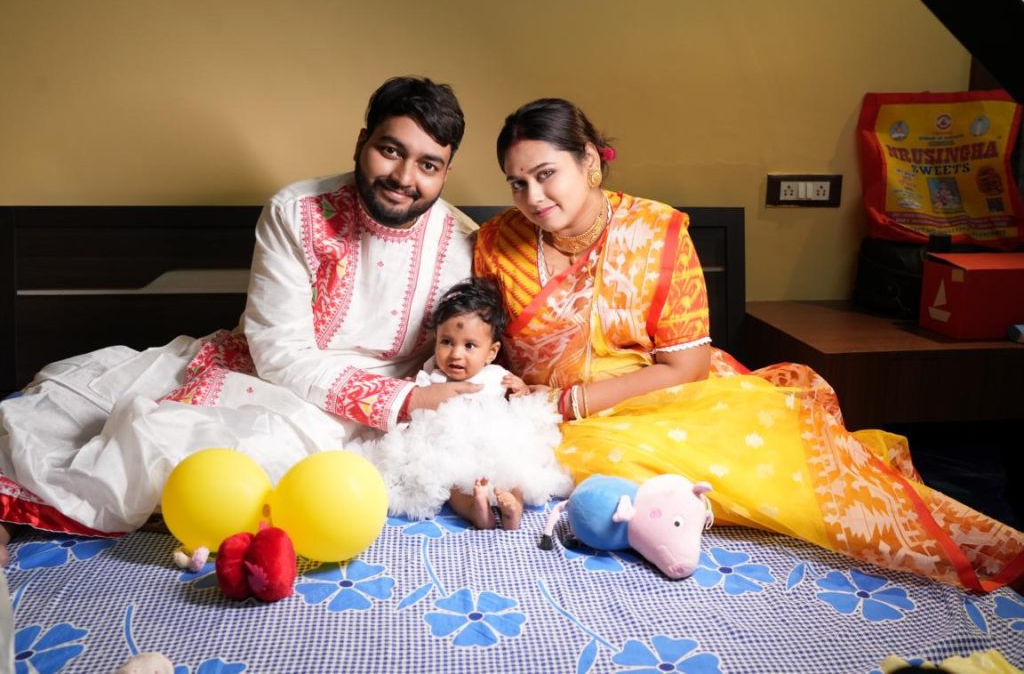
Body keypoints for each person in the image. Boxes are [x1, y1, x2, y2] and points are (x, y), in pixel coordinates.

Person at [474, 97, 1024, 592]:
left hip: (654, 397)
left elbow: (685, 366)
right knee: (563, 461)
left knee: (776, 459)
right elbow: (478, 341)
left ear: (590, 161)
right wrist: (508, 385)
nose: (533, 197)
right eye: (517, 183)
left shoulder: (656, 231)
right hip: (541, 414)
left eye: (547, 174)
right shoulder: (497, 242)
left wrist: (570, 402)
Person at [0, 76, 480, 564]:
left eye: (427, 165)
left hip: (375, 419)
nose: (404, 176)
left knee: (239, 465)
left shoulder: (465, 243)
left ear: (446, 172)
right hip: (271, 376)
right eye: (391, 150)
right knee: (80, 418)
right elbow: (278, 352)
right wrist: (407, 399)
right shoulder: (295, 212)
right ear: (361, 142)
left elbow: (477, 346)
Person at [348, 277, 572, 530]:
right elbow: (416, 402)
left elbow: (516, 404)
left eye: (469, 346)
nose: (456, 354)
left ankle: (513, 509)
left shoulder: (497, 375)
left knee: (513, 470)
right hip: (448, 448)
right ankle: (477, 512)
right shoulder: (432, 373)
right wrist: (416, 390)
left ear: (491, 352)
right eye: (446, 342)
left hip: (491, 443)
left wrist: (519, 390)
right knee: (452, 483)